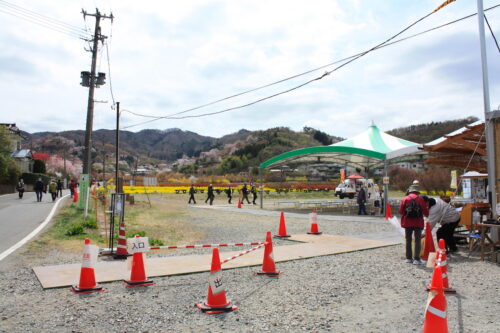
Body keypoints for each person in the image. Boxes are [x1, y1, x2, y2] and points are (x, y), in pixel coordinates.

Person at [399, 183, 429, 265]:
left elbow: (401, 211)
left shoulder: (405, 199)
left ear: (410, 191)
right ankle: (417, 259)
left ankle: (408, 258)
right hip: (418, 222)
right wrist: (426, 215)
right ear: (417, 192)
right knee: (417, 240)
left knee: (408, 240)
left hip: (407, 222)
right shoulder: (420, 199)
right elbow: (425, 211)